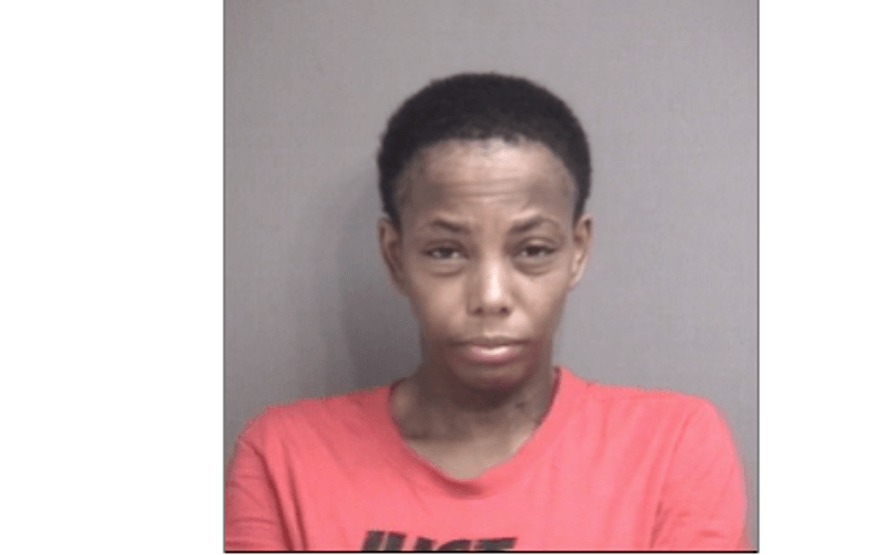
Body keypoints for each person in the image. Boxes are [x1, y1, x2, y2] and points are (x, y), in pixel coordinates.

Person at [225, 73, 748, 551]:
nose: (491, 296)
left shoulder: (672, 447)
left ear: (577, 251)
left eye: (533, 250)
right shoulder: (285, 457)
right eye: (446, 252)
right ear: (395, 257)